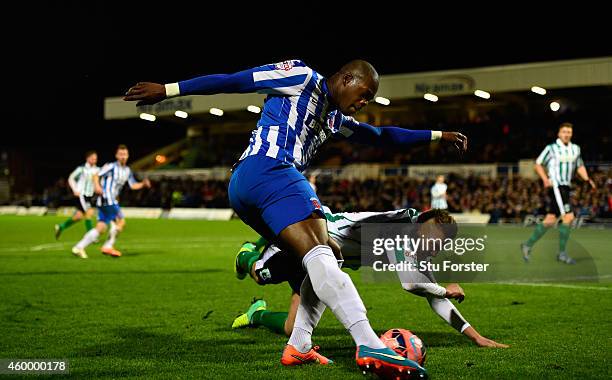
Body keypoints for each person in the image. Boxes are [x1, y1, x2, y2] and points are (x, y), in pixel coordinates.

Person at [124, 59, 467, 378]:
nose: (366, 103)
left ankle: (298, 344)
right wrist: (169, 90)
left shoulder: (334, 119)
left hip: (250, 189)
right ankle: (370, 345)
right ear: (347, 79)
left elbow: (381, 136)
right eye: (364, 94)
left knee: (325, 256)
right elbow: (237, 81)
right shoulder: (301, 77)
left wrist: (439, 135)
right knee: (323, 248)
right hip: (269, 168)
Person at [233, 206, 507, 348]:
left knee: (292, 329)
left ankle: (257, 314)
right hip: (311, 238)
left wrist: (475, 336)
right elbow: (412, 284)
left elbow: (431, 294)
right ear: (422, 225)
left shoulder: (414, 248)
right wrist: (444, 290)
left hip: (328, 263)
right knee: (260, 273)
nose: (435, 248)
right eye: (434, 240)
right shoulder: (399, 227)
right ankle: (247, 252)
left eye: (441, 245)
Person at [521, 123, 596, 264]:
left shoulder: (575, 149)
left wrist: (587, 179)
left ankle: (527, 245)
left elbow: (579, 165)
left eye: (569, 132)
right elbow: (538, 164)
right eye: (564, 131)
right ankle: (561, 254)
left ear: (571, 134)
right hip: (556, 186)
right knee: (568, 217)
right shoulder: (551, 148)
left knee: (550, 220)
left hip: (566, 187)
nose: (566, 134)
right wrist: (545, 179)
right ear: (559, 134)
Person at [71, 145, 151, 258]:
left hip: (107, 201)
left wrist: (143, 184)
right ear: (116, 156)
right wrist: (97, 186)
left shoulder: (127, 170)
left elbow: (132, 185)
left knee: (101, 227)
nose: (123, 157)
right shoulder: (111, 166)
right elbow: (95, 175)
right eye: (121, 154)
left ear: (128, 156)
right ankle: (108, 246)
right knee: (121, 222)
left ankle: (78, 247)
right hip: (107, 198)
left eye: (125, 154)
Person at [55, 150, 99, 239]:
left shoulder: (97, 169)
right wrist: (75, 190)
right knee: (89, 212)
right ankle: (91, 237)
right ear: (87, 159)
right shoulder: (81, 169)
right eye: (93, 158)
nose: (94, 160)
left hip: (90, 196)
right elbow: (71, 178)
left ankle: (61, 226)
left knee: (78, 216)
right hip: (82, 195)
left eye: (96, 159)